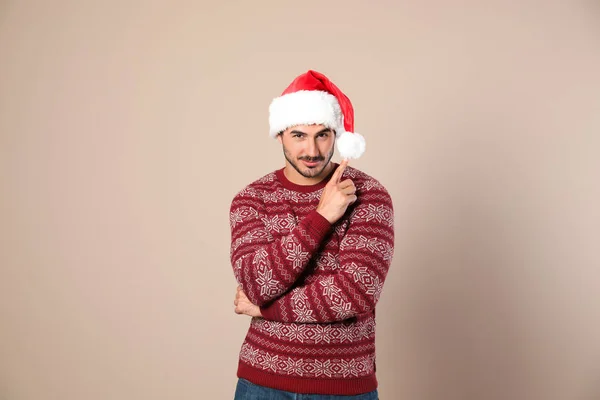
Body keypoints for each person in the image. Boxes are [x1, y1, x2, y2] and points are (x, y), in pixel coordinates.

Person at [229, 70, 394, 399]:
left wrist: (266, 310)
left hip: (344, 388)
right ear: (280, 135)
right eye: (299, 135)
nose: (313, 149)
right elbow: (255, 282)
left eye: (323, 135)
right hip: (262, 384)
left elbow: (353, 294)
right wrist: (322, 216)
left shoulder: (369, 195)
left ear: (337, 135)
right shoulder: (252, 199)